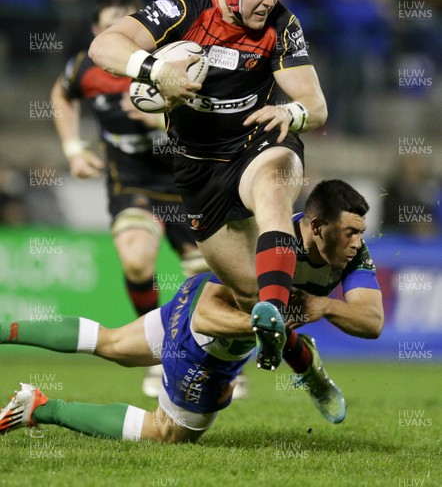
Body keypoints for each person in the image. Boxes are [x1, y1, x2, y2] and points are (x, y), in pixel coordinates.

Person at [88, 0, 328, 370]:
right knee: (246, 294)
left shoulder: (282, 24)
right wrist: (157, 69)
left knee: (275, 186)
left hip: (258, 140)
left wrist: (289, 113)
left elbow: (316, 106)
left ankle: (273, 306)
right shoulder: (184, 9)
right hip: (199, 168)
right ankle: (302, 361)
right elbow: (103, 45)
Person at [0, 180, 383, 441]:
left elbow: (371, 322)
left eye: (361, 232)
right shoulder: (273, 246)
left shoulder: (352, 256)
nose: (357, 242)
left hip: (196, 300)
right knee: (166, 433)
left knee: (112, 343)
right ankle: (41, 407)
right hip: (209, 334)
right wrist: (265, 328)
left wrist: (324, 305)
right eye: (350, 232)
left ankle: (6, 328)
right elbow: (205, 316)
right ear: (316, 226)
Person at [51, 0, 209, 397]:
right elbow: (61, 95)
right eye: (108, 28)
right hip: (131, 180)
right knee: (138, 263)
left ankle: (215, 361)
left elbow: (211, 124)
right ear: (96, 31)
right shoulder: (86, 67)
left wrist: (159, 120)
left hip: (184, 178)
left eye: (125, 26)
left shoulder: (178, 59)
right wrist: (74, 149)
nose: (117, 35)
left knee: (205, 273)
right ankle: (155, 354)